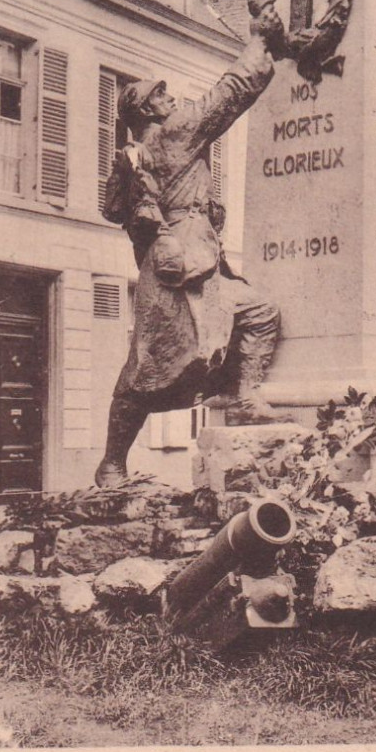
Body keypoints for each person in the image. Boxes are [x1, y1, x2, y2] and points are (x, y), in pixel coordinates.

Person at [95, 31, 286, 488]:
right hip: (178, 264)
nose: (172, 97)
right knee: (149, 367)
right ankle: (112, 462)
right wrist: (262, 40)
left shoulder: (140, 154)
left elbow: (115, 208)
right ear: (146, 111)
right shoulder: (175, 134)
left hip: (193, 261)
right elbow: (232, 92)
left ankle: (243, 394)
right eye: (162, 95)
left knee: (258, 312)